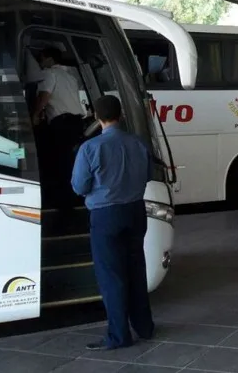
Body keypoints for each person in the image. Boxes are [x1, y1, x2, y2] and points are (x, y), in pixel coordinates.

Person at [71, 95, 155, 351]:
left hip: (106, 216)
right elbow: (148, 175)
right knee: (136, 270)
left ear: (96, 116)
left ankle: (119, 335)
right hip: (135, 211)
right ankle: (145, 327)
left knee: (112, 276)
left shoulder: (90, 148)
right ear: (121, 114)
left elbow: (78, 186)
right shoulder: (139, 143)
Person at [32, 47, 86, 208]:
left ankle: (63, 203)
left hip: (61, 124)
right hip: (76, 123)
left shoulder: (49, 73)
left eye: (41, 59)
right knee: (72, 162)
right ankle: (75, 198)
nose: (41, 64)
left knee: (59, 163)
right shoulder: (70, 76)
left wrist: (35, 114)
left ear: (49, 59)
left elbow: (44, 96)